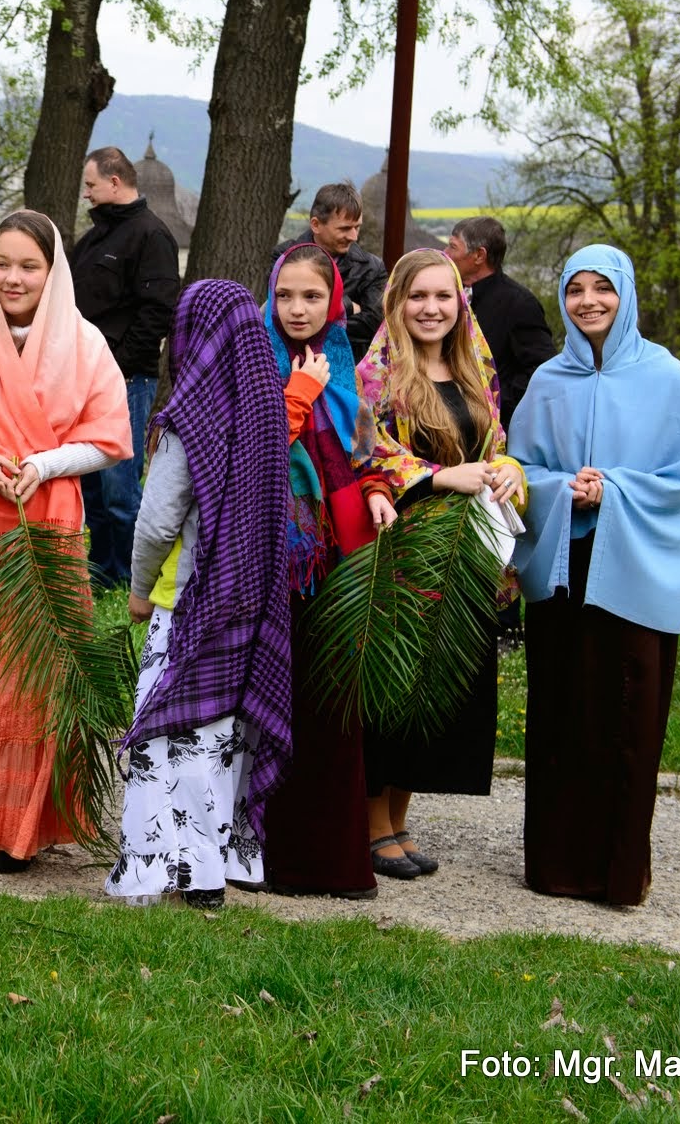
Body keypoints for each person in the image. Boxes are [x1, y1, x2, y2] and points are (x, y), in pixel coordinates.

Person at [0, 210, 133, 871]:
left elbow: (109, 437)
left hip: (45, 526)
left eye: (28, 266)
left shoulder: (85, 343)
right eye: (2, 263)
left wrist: (43, 465)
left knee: (26, 678)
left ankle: (13, 830)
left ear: (52, 271)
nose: (12, 278)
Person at [513, 245, 680, 906]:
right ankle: (554, 867)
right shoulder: (548, 381)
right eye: (576, 289)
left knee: (627, 719)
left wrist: (616, 490)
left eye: (603, 287)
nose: (589, 301)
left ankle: (616, 872)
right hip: (564, 574)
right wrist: (561, 489)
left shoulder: (666, 377)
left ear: (625, 294)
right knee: (559, 716)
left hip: (633, 571)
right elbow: (520, 473)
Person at [108, 279, 292, 909]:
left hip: (188, 601)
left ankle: (162, 872)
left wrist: (138, 589)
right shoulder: (267, 413)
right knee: (219, 741)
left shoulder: (191, 419)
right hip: (250, 599)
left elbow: (158, 521)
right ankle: (208, 873)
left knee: (169, 734)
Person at [355, 249, 525, 880]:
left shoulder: (475, 369)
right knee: (394, 686)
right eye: (417, 297)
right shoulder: (377, 375)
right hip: (401, 552)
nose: (431, 309)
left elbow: (495, 443)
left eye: (443, 296)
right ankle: (371, 825)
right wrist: (436, 476)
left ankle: (399, 821)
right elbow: (363, 451)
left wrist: (509, 470)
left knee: (435, 685)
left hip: (466, 556)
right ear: (396, 302)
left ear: (460, 302)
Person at [255, 245, 383, 899]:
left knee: (333, 707)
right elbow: (254, 453)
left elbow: (364, 451)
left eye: (311, 296)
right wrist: (296, 395)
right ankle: (272, 855)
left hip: (334, 562)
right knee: (277, 698)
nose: (297, 310)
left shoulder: (342, 366)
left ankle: (332, 860)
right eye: (285, 296)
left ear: (333, 301)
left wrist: (378, 488)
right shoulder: (256, 363)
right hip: (270, 560)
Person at [70, 146, 177, 589]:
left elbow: (158, 311)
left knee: (119, 485)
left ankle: (134, 576)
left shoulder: (152, 236)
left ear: (115, 182)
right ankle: (102, 571)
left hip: (127, 378)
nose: (86, 194)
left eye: (91, 185)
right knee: (91, 484)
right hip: (83, 377)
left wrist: (116, 363)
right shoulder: (94, 239)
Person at [446, 215, 555, 429]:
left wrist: (494, 403)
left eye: (453, 247)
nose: (446, 253)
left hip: (497, 429)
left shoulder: (519, 304)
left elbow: (542, 368)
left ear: (479, 255)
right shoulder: (451, 296)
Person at [273, 181, 387, 359]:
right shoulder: (283, 257)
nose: (353, 236)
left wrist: (311, 321)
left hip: (349, 363)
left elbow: (372, 325)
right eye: (344, 228)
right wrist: (346, 306)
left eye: (357, 227)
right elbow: (276, 314)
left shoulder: (371, 267)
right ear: (316, 225)